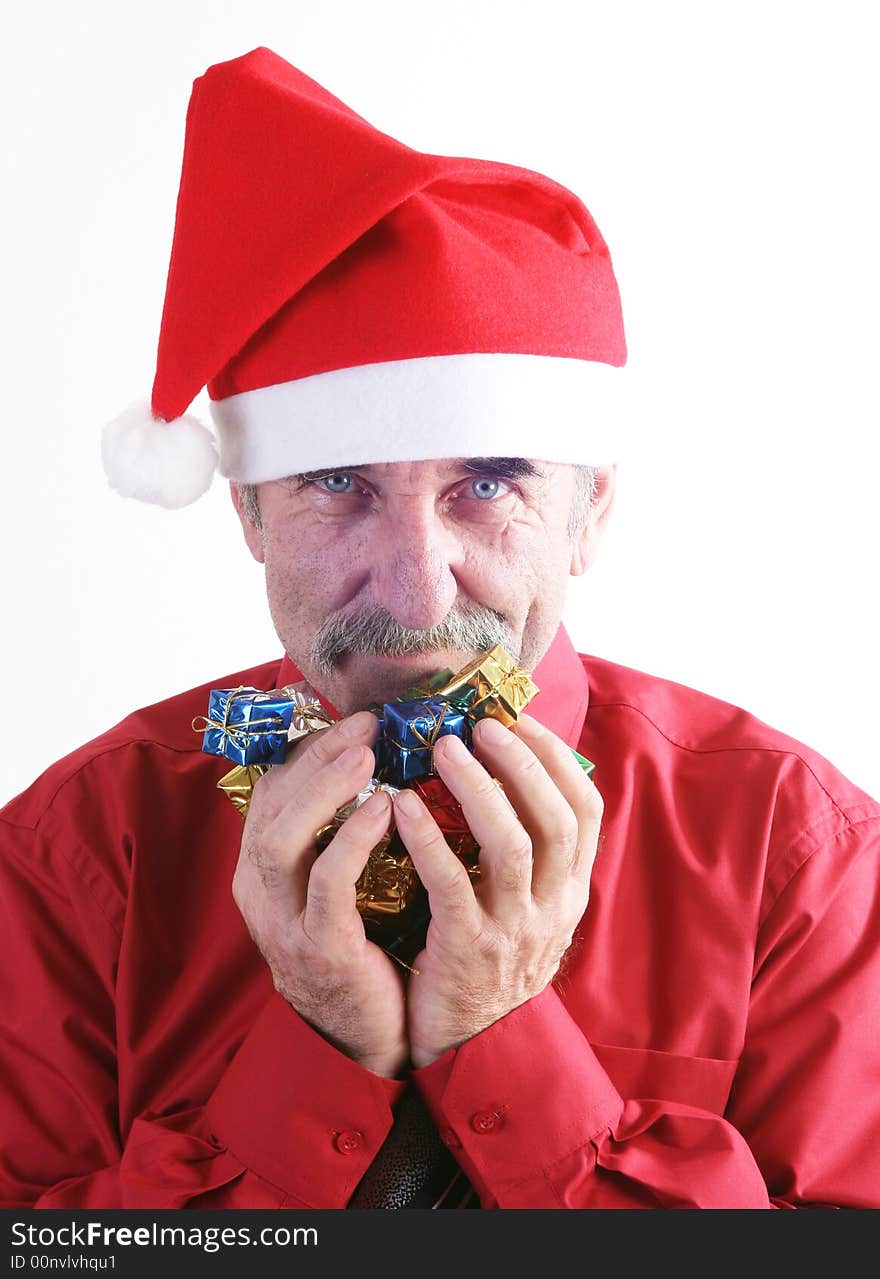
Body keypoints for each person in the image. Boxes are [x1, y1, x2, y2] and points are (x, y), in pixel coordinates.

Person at [1, 45, 878, 1212]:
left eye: (491, 481)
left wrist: (502, 1034)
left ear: (587, 514)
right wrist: (316, 1048)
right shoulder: (75, 858)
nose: (416, 597)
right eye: (336, 485)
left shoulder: (795, 857)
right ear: (250, 513)